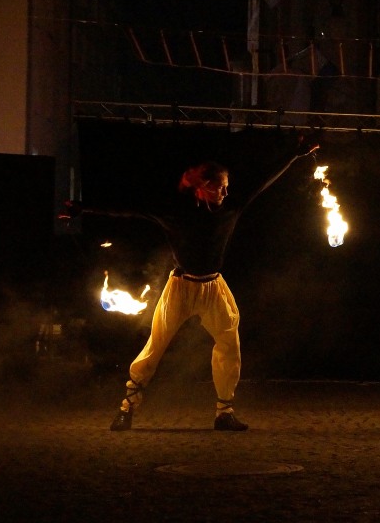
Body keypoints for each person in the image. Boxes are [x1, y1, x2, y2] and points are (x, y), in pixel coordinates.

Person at [65, 144, 318, 431]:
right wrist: (83, 207)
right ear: (203, 187)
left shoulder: (231, 207)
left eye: (226, 187)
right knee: (155, 345)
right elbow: (129, 208)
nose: (225, 192)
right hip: (180, 288)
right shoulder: (176, 212)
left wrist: (295, 153)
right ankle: (127, 408)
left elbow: (263, 178)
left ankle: (224, 413)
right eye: (220, 187)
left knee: (229, 344)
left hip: (214, 287)